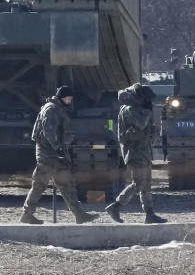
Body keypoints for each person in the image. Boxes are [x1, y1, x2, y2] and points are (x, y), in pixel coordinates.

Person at [20, 86, 98, 225]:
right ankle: (27, 214)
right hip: (48, 155)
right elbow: (49, 132)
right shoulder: (51, 109)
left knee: (67, 184)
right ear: (62, 97)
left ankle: (79, 215)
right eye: (69, 97)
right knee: (39, 185)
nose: (70, 100)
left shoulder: (57, 108)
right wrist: (58, 148)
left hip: (55, 155)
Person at [106, 84, 166, 224]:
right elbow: (140, 124)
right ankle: (115, 206)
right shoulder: (129, 109)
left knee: (146, 185)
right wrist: (148, 112)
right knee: (138, 183)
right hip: (134, 152)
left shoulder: (141, 109)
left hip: (144, 151)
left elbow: (151, 130)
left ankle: (149, 214)